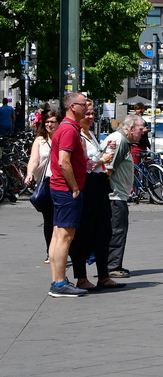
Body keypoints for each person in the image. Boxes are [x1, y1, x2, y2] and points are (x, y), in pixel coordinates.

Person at [71, 102, 123, 291]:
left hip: (99, 187)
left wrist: (103, 150)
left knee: (103, 232)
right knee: (84, 234)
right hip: (88, 187)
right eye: (88, 114)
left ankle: (103, 276)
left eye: (93, 113)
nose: (91, 117)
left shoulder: (90, 134)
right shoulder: (77, 135)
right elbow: (82, 164)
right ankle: (81, 278)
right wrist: (102, 159)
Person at [48, 93, 90, 297]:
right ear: (73, 107)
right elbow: (63, 162)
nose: (87, 107)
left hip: (59, 188)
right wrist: (74, 187)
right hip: (66, 190)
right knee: (65, 236)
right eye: (84, 104)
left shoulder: (67, 128)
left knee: (58, 235)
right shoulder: (68, 129)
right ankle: (59, 283)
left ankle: (57, 281)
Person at [105, 114, 145, 279]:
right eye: (140, 129)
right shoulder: (119, 141)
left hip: (117, 195)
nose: (143, 132)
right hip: (115, 196)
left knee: (116, 230)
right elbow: (108, 169)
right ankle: (112, 266)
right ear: (130, 128)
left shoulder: (122, 140)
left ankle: (112, 265)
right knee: (117, 230)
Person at [25, 109, 61, 259]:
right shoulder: (40, 140)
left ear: (59, 123)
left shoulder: (64, 138)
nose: (49, 124)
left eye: (52, 121)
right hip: (46, 182)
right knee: (49, 219)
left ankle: (62, 250)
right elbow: (34, 159)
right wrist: (30, 173)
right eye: (47, 121)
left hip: (62, 182)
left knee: (61, 220)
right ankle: (50, 252)